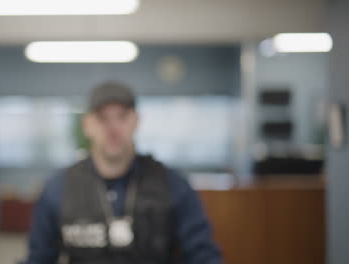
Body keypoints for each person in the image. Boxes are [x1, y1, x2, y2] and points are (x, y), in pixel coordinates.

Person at [25, 82, 222, 264]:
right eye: (102, 118)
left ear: (136, 121)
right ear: (87, 125)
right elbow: (39, 258)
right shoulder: (57, 189)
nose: (113, 128)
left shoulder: (174, 185)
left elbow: (202, 255)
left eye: (122, 117)